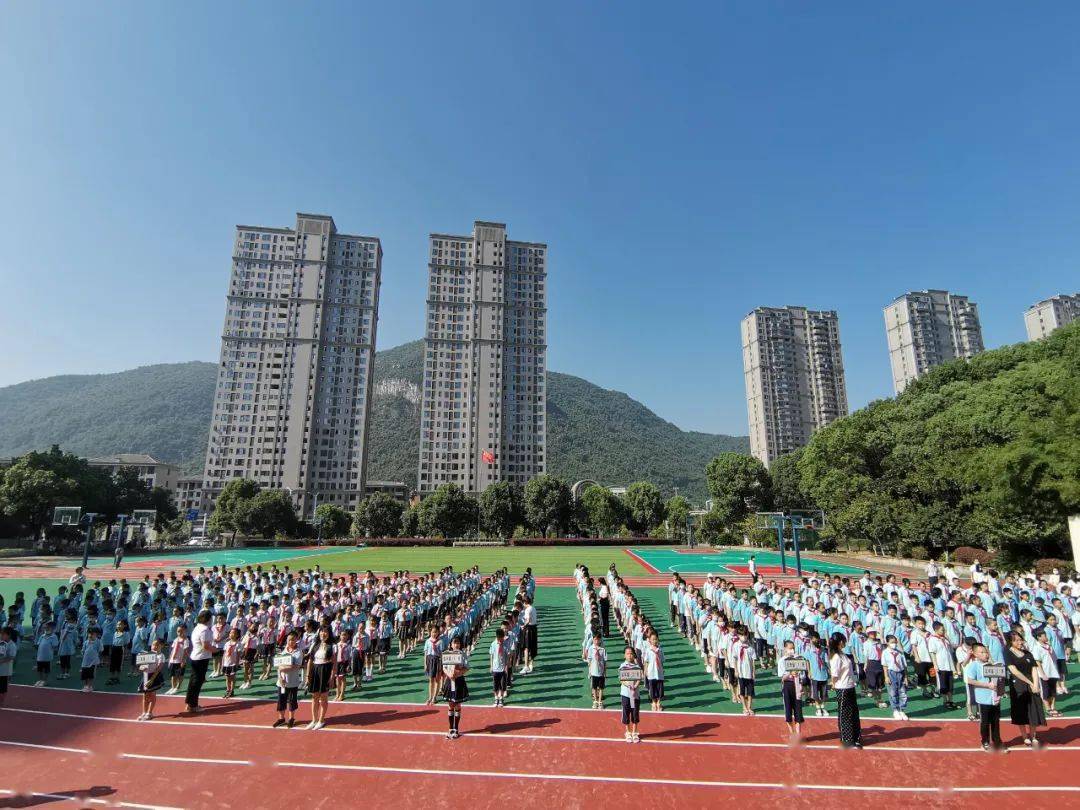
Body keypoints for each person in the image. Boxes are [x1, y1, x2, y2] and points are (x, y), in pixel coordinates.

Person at [963, 643, 1006, 752]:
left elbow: (999, 681)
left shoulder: (992, 665)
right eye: (981, 652)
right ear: (975, 654)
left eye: (986, 652)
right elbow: (970, 680)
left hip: (995, 699)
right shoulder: (974, 665)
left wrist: (1001, 690)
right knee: (985, 722)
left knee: (995, 722)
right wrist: (987, 685)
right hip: (983, 699)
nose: (985, 654)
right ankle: (985, 742)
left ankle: (997, 742)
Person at [1005, 631, 1046, 748]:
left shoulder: (1028, 653)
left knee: (1034, 710)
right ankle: (1024, 736)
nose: (1019, 642)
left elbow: (1034, 668)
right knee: (1021, 711)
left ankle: (1033, 736)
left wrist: (1036, 684)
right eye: (1015, 640)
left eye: (1020, 639)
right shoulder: (1008, 653)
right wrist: (1029, 682)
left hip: (1032, 684)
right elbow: (1014, 671)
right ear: (1011, 642)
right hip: (1018, 685)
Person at [829, 632, 862, 749]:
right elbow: (834, 674)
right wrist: (833, 683)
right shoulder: (836, 657)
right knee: (845, 715)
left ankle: (856, 738)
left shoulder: (843, 654)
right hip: (842, 688)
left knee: (853, 713)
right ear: (839, 642)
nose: (844, 642)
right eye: (843, 640)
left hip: (850, 686)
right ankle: (847, 740)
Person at [185, 610, 214, 713]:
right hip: (201, 658)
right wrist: (216, 650)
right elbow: (205, 645)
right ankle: (193, 705)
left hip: (196, 657)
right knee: (197, 682)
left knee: (193, 681)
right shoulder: (205, 629)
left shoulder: (197, 627)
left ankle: (189, 703)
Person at [273, 631, 303, 729]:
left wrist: (283, 667)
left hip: (292, 682)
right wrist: (280, 677)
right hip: (282, 682)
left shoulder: (298, 652)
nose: (291, 642)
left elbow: (296, 666)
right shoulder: (283, 651)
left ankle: (291, 718)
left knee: (292, 701)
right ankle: (281, 718)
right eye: (289, 640)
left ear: (296, 640)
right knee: (281, 700)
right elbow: (278, 666)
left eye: (293, 639)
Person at [306, 626, 334, 730]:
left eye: (326, 632)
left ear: (329, 634)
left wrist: (332, 677)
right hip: (315, 671)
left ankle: (321, 720)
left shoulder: (332, 646)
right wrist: (308, 675)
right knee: (314, 697)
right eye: (321, 631)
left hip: (325, 671)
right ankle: (314, 720)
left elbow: (334, 663)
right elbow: (310, 661)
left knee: (323, 698)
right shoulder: (314, 645)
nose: (323, 634)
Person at [442, 635, 469, 740]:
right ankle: (450, 729)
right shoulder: (447, 654)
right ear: (451, 644)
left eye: (458, 643)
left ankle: (456, 729)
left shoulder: (463, 654)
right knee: (450, 705)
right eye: (454, 643)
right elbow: (444, 667)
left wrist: (459, 673)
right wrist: (449, 674)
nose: (456, 645)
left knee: (457, 705)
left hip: (459, 681)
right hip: (450, 681)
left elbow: (467, 667)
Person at [777, 640, 806, 740]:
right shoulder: (782, 660)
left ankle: (798, 734)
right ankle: (792, 733)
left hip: (797, 685)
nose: (792, 650)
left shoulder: (798, 659)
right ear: (785, 649)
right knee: (788, 711)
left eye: (793, 648)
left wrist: (801, 685)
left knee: (798, 711)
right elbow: (782, 677)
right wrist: (790, 673)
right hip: (787, 686)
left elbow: (802, 675)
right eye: (789, 648)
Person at [137, 638, 166, 721]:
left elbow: (158, 669)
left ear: (162, 646)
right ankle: (144, 712)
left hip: (154, 677)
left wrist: (152, 680)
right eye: (153, 644)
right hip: (145, 676)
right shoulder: (147, 654)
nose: (154, 646)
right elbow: (141, 666)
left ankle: (150, 713)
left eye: (157, 645)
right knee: (145, 695)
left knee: (152, 695)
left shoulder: (161, 656)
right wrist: (141, 667)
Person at [882, 634, 909, 720]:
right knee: (893, 692)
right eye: (892, 642)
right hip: (891, 673)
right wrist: (886, 677)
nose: (894, 644)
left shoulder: (900, 652)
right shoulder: (885, 652)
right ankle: (895, 710)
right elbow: (885, 666)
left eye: (895, 642)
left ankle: (902, 710)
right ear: (887, 643)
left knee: (903, 692)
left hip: (900, 673)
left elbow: (904, 666)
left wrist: (905, 677)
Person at [618, 646, 641, 743]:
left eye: (631, 653)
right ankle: (628, 731)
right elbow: (621, 680)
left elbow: (639, 679)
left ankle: (635, 732)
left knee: (635, 713)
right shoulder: (623, 666)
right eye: (627, 653)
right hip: (626, 694)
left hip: (635, 695)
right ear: (624, 655)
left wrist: (635, 685)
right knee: (626, 712)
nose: (630, 655)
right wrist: (628, 685)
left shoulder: (637, 667)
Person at [585, 632, 607, 709]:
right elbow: (589, 661)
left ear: (600, 640)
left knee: (601, 688)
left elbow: (605, 661)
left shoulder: (603, 649)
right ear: (593, 640)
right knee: (594, 687)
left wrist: (605, 672)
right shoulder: (591, 649)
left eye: (598, 640)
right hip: (594, 672)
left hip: (601, 672)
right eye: (595, 639)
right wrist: (590, 671)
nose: (596, 641)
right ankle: (595, 701)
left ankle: (600, 702)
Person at [489, 627, 510, 707]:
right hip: (495, 668)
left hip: (502, 668)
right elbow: (491, 655)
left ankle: (501, 698)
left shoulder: (505, 644)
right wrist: (491, 666)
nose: (500, 640)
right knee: (495, 685)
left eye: (501, 638)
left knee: (502, 684)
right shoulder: (493, 644)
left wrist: (506, 666)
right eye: (499, 638)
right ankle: (496, 698)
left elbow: (507, 656)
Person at [80, 627, 104, 692]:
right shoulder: (86, 642)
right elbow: (83, 650)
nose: (90, 635)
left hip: (93, 662)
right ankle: (85, 686)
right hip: (85, 661)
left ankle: (90, 686)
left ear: (96, 635)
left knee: (91, 674)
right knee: (85, 674)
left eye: (92, 634)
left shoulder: (98, 642)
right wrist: (83, 652)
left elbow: (101, 650)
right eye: (89, 634)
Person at [424, 626, 442, 705]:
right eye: (432, 632)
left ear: (438, 632)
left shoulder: (440, 642)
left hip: (437, 660)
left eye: (436, 632)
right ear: (430, 632)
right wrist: (425, 664)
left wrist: (442, 664)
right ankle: (430, 697)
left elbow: (441, 654)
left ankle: (434, 697)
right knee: (431, 680)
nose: (434, 634)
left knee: (437, 680)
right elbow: (425, 653)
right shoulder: (428, 641)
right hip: (430, 660)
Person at [222, 628, 240, 698]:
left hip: (233, 663)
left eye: (233, 633)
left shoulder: (238, 644)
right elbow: (224, 654)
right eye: (230, 633)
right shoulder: (227, 643)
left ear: (237, 635)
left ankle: (232, 691)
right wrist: (222, 663)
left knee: (232, 678)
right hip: (226, 663)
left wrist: (237, 663)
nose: (231, 634)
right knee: (227, 677)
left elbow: (238, 655)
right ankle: (228, 690)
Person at [0, 626, 16, 707]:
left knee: (2, 687)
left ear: (8, 635)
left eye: (3, 634)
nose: (1, 636)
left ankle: (1, 702)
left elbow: (11, 656)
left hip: (4, 670)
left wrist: (1, 661)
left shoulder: (11, 645)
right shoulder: (1, 642)